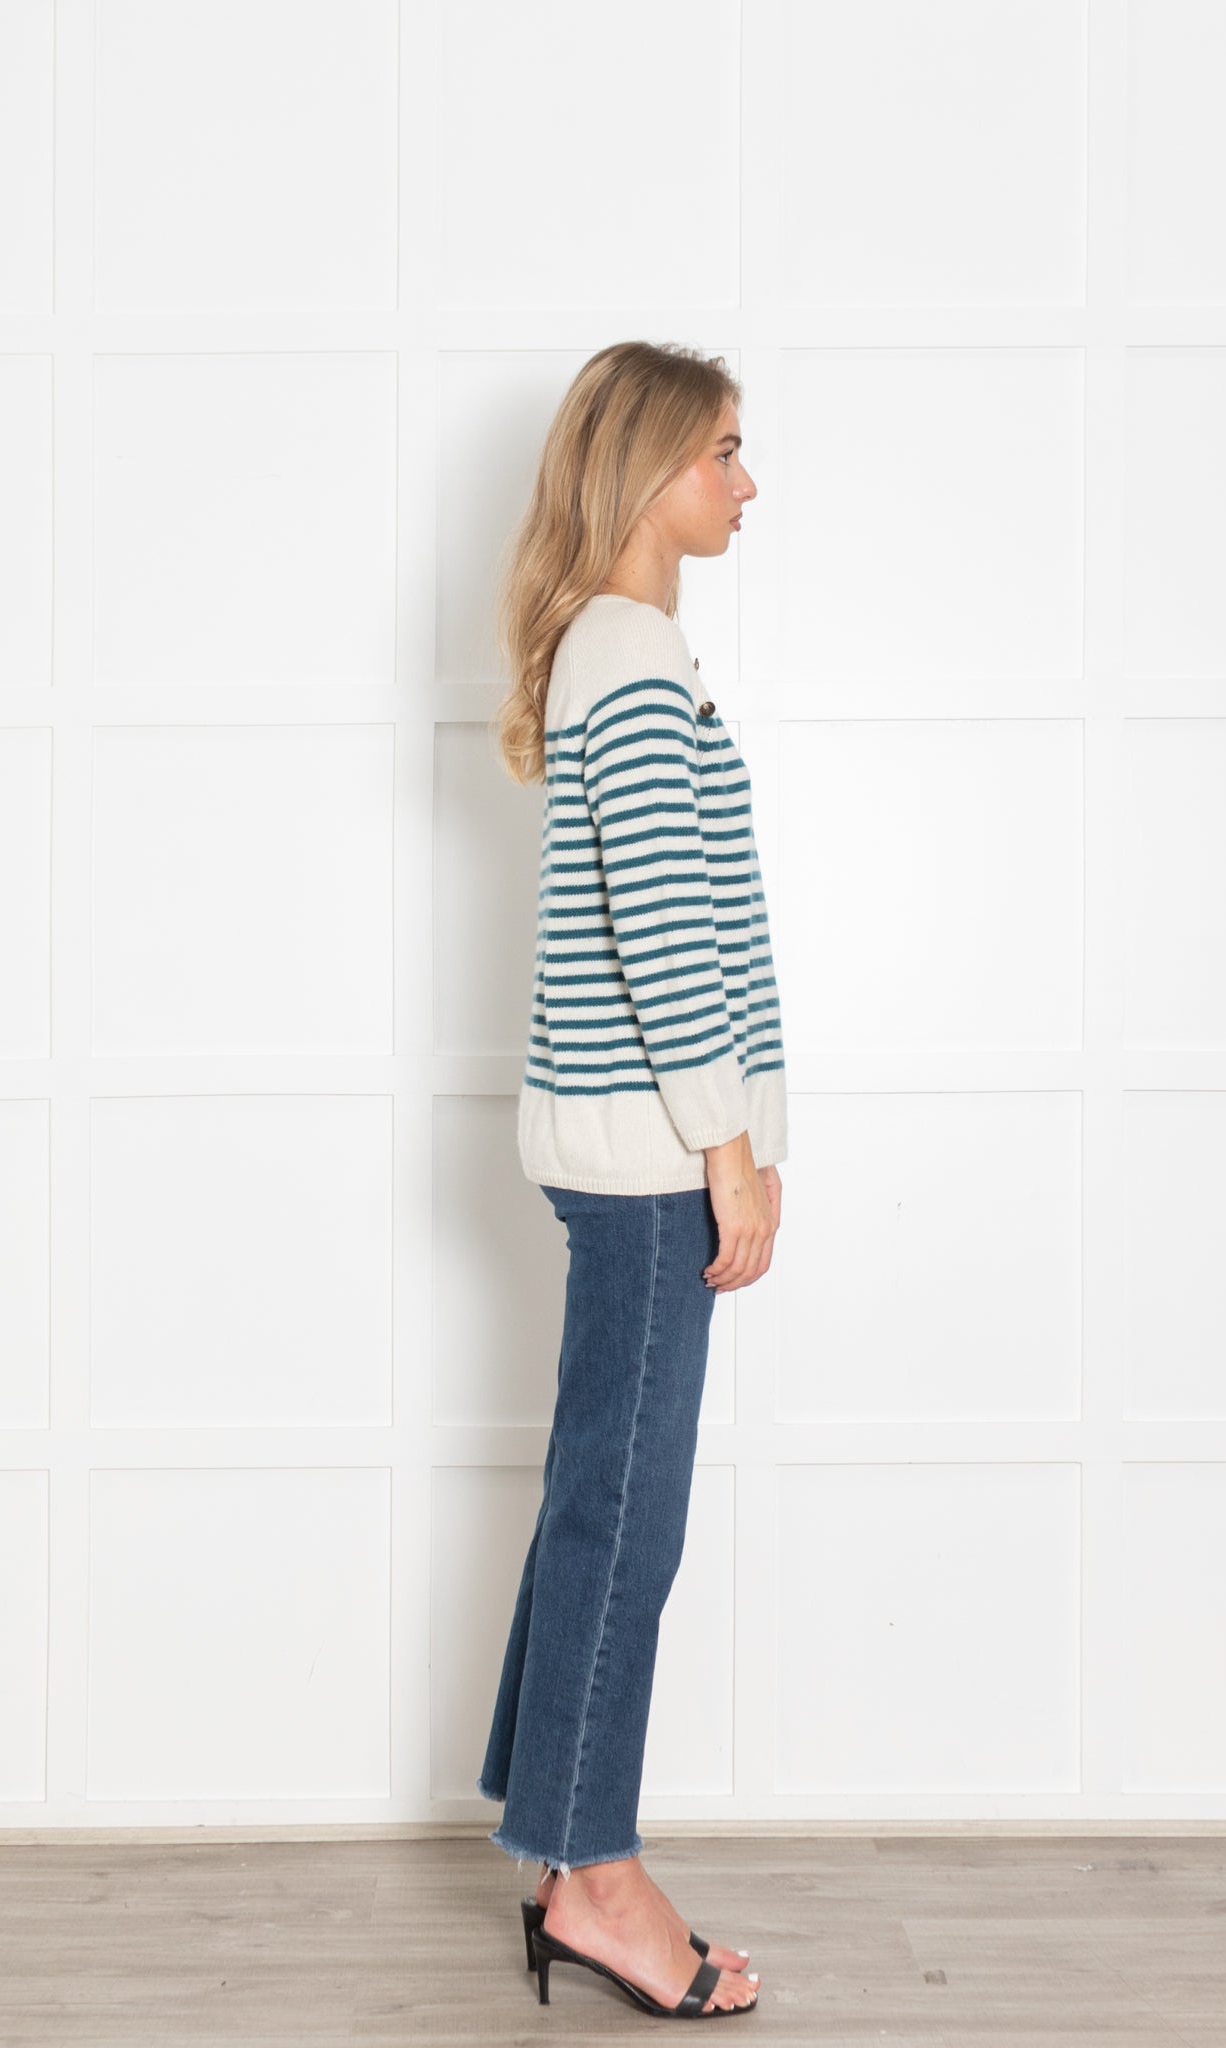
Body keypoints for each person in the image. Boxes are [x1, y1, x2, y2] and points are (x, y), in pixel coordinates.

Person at [475, 341, 787, 2019]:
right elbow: (667, 937)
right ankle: (595, 1876)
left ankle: (561, 1843)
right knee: (623, 1520)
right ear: (653, 467)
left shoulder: (617, 650)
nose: (747, 483)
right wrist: (730, 1153)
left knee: (597, 1501)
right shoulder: (632, 651)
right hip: (654, 1158)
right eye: (724, 451)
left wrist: (740, 1144)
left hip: (634, 1152)